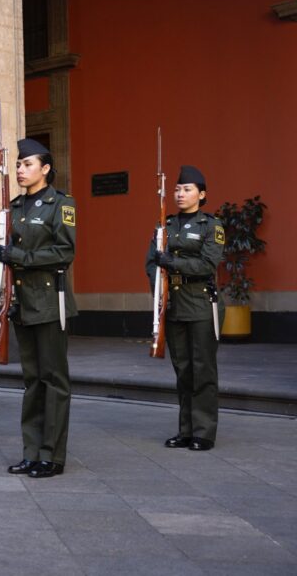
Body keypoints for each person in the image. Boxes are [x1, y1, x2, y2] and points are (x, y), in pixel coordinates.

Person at [0, 139, 76, 478]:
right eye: (18, 164)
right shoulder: (13, 207)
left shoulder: (61, 204)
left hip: (50, 301)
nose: (20, 170)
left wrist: (19, 257)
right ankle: (31, 452)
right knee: (32, 381)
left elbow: (64, 252)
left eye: (28, 164)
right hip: (23, 303)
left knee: (53, 379)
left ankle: (52, 455)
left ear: (45, 169)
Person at [146, 165, 224, 452]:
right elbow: (151, 263)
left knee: (203, 369)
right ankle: (186, 430)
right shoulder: (164, 226)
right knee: (183, 369)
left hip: (201, 302)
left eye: (187, 189)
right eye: (178, 189)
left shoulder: (211, 226)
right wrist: (160, 293)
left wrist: (173, 263)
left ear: (201, 195)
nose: (180, 194)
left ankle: (204, 432)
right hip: (174, 303)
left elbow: (207, 264)